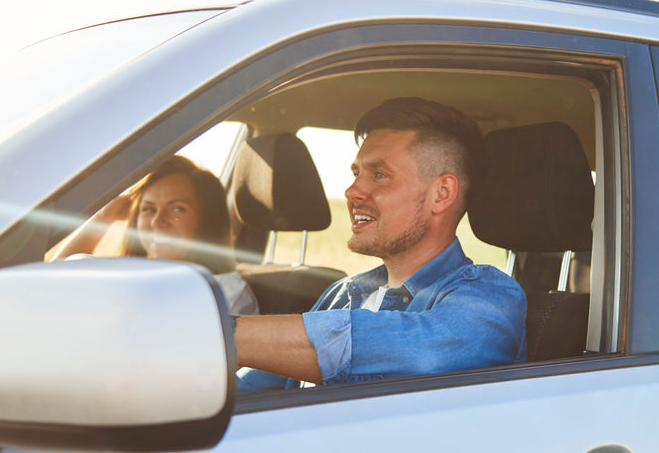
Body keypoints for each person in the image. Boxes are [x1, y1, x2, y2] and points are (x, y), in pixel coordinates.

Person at [236, 97, 526, 390]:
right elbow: (247, 392)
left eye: (379, 175)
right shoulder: (343, 293)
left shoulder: (492, 298)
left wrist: (228, 335)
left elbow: (419, 355)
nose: (352, 191)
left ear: (441, 194)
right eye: (356, 173)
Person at [52, 155, 259, 316]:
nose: (157, 221)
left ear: (207, 222)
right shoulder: (132, 275)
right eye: (149, 209)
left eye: (177, 209)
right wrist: (106, 215)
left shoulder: (225, 291)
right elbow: (53, 278)